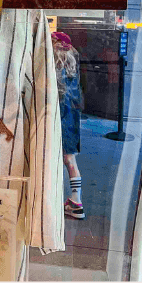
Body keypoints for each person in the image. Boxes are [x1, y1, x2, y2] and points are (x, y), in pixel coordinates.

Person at [52, 31, 85, 219]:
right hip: (72, 117)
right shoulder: (73, 66)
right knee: (70, 160)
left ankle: (54, 200)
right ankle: (75, 200)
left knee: (52, 160)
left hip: (58, 116)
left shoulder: (55, 67)